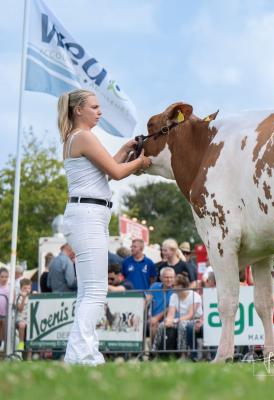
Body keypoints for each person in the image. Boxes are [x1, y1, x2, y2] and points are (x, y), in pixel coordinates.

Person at [58, 88, 151, 365]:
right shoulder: (84, 136)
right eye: (95, 107)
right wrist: (142, 161)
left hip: (88, 212)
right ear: (78, 110)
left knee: (88, 292)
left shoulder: (76, 137)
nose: (100, 112)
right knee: (96, 291)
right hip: (88, 214)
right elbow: (118, 172)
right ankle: (82, 355)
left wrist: (124, 151)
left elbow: (106, 174)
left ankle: (83, 353)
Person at [146, 267, 176, 345]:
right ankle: (149, 353)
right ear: (161, 278)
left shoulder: (176, 290)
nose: (169, 280)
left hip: (169, 320)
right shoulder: (154, 286)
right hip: (153, 319)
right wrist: (149, 317)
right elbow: (147, 301)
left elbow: (170, 308)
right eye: (166, 277)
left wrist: (156, 318)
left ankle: (155, 353)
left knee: (155, 327)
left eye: (171, 277)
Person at [15, 278, 32, 352]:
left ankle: (29, 355)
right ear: (21, 288)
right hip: (20, 318)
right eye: (25, 288)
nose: (27, 290)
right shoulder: (19, 297)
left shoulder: (32, 296)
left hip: (30, 319)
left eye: (29, 288)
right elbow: (20, 309)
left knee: (33, 328)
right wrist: (23, 298)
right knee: (22, 325)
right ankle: (21, 343)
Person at [0, 267, 9, 349]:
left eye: (6, 277)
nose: (4, 279)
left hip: (5, 313)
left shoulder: (9, 288)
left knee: (3, 326)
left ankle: (2, 343)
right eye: (2, 277)